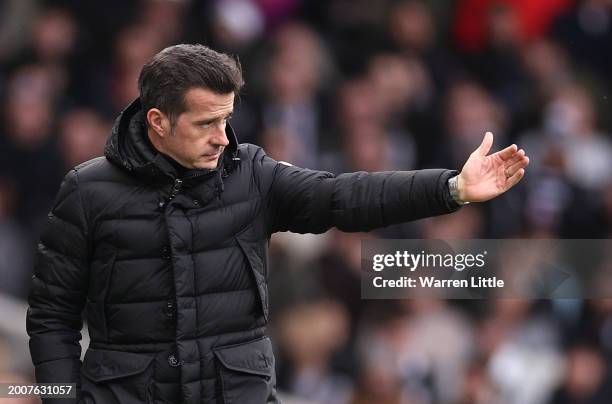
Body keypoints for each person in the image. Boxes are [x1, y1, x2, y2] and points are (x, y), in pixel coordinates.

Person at [25, 44, 529, 404]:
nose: (223, 138)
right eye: (205, 123)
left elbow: (342, 196)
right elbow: (52, 318)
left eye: (226, 119)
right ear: (157, 121)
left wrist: (450, 189)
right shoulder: (87, 191)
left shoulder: (253, 175)